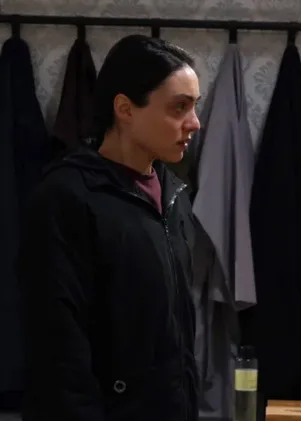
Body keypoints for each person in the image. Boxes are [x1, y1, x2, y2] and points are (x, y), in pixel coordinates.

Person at [18, 34, 202, 421]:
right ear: (124, 108)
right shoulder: (67, 197)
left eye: (194, 106)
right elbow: (58, 354)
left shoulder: (175, 195)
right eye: (179, 107)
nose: (194, 123)